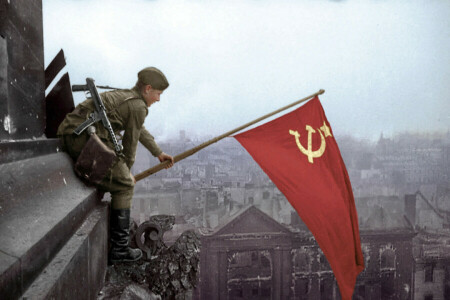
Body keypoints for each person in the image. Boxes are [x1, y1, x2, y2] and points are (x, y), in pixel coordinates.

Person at [57, 67, 174, 263]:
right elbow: (130, 146)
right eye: (158, 94)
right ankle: (119, 250)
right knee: (126, 186)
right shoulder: (138, 106)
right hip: (82, 139)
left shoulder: (129, 98)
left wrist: (158, 153)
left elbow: (139, 129)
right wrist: (124, 176)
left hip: (72, 132)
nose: (158, 99)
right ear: (147, 89)